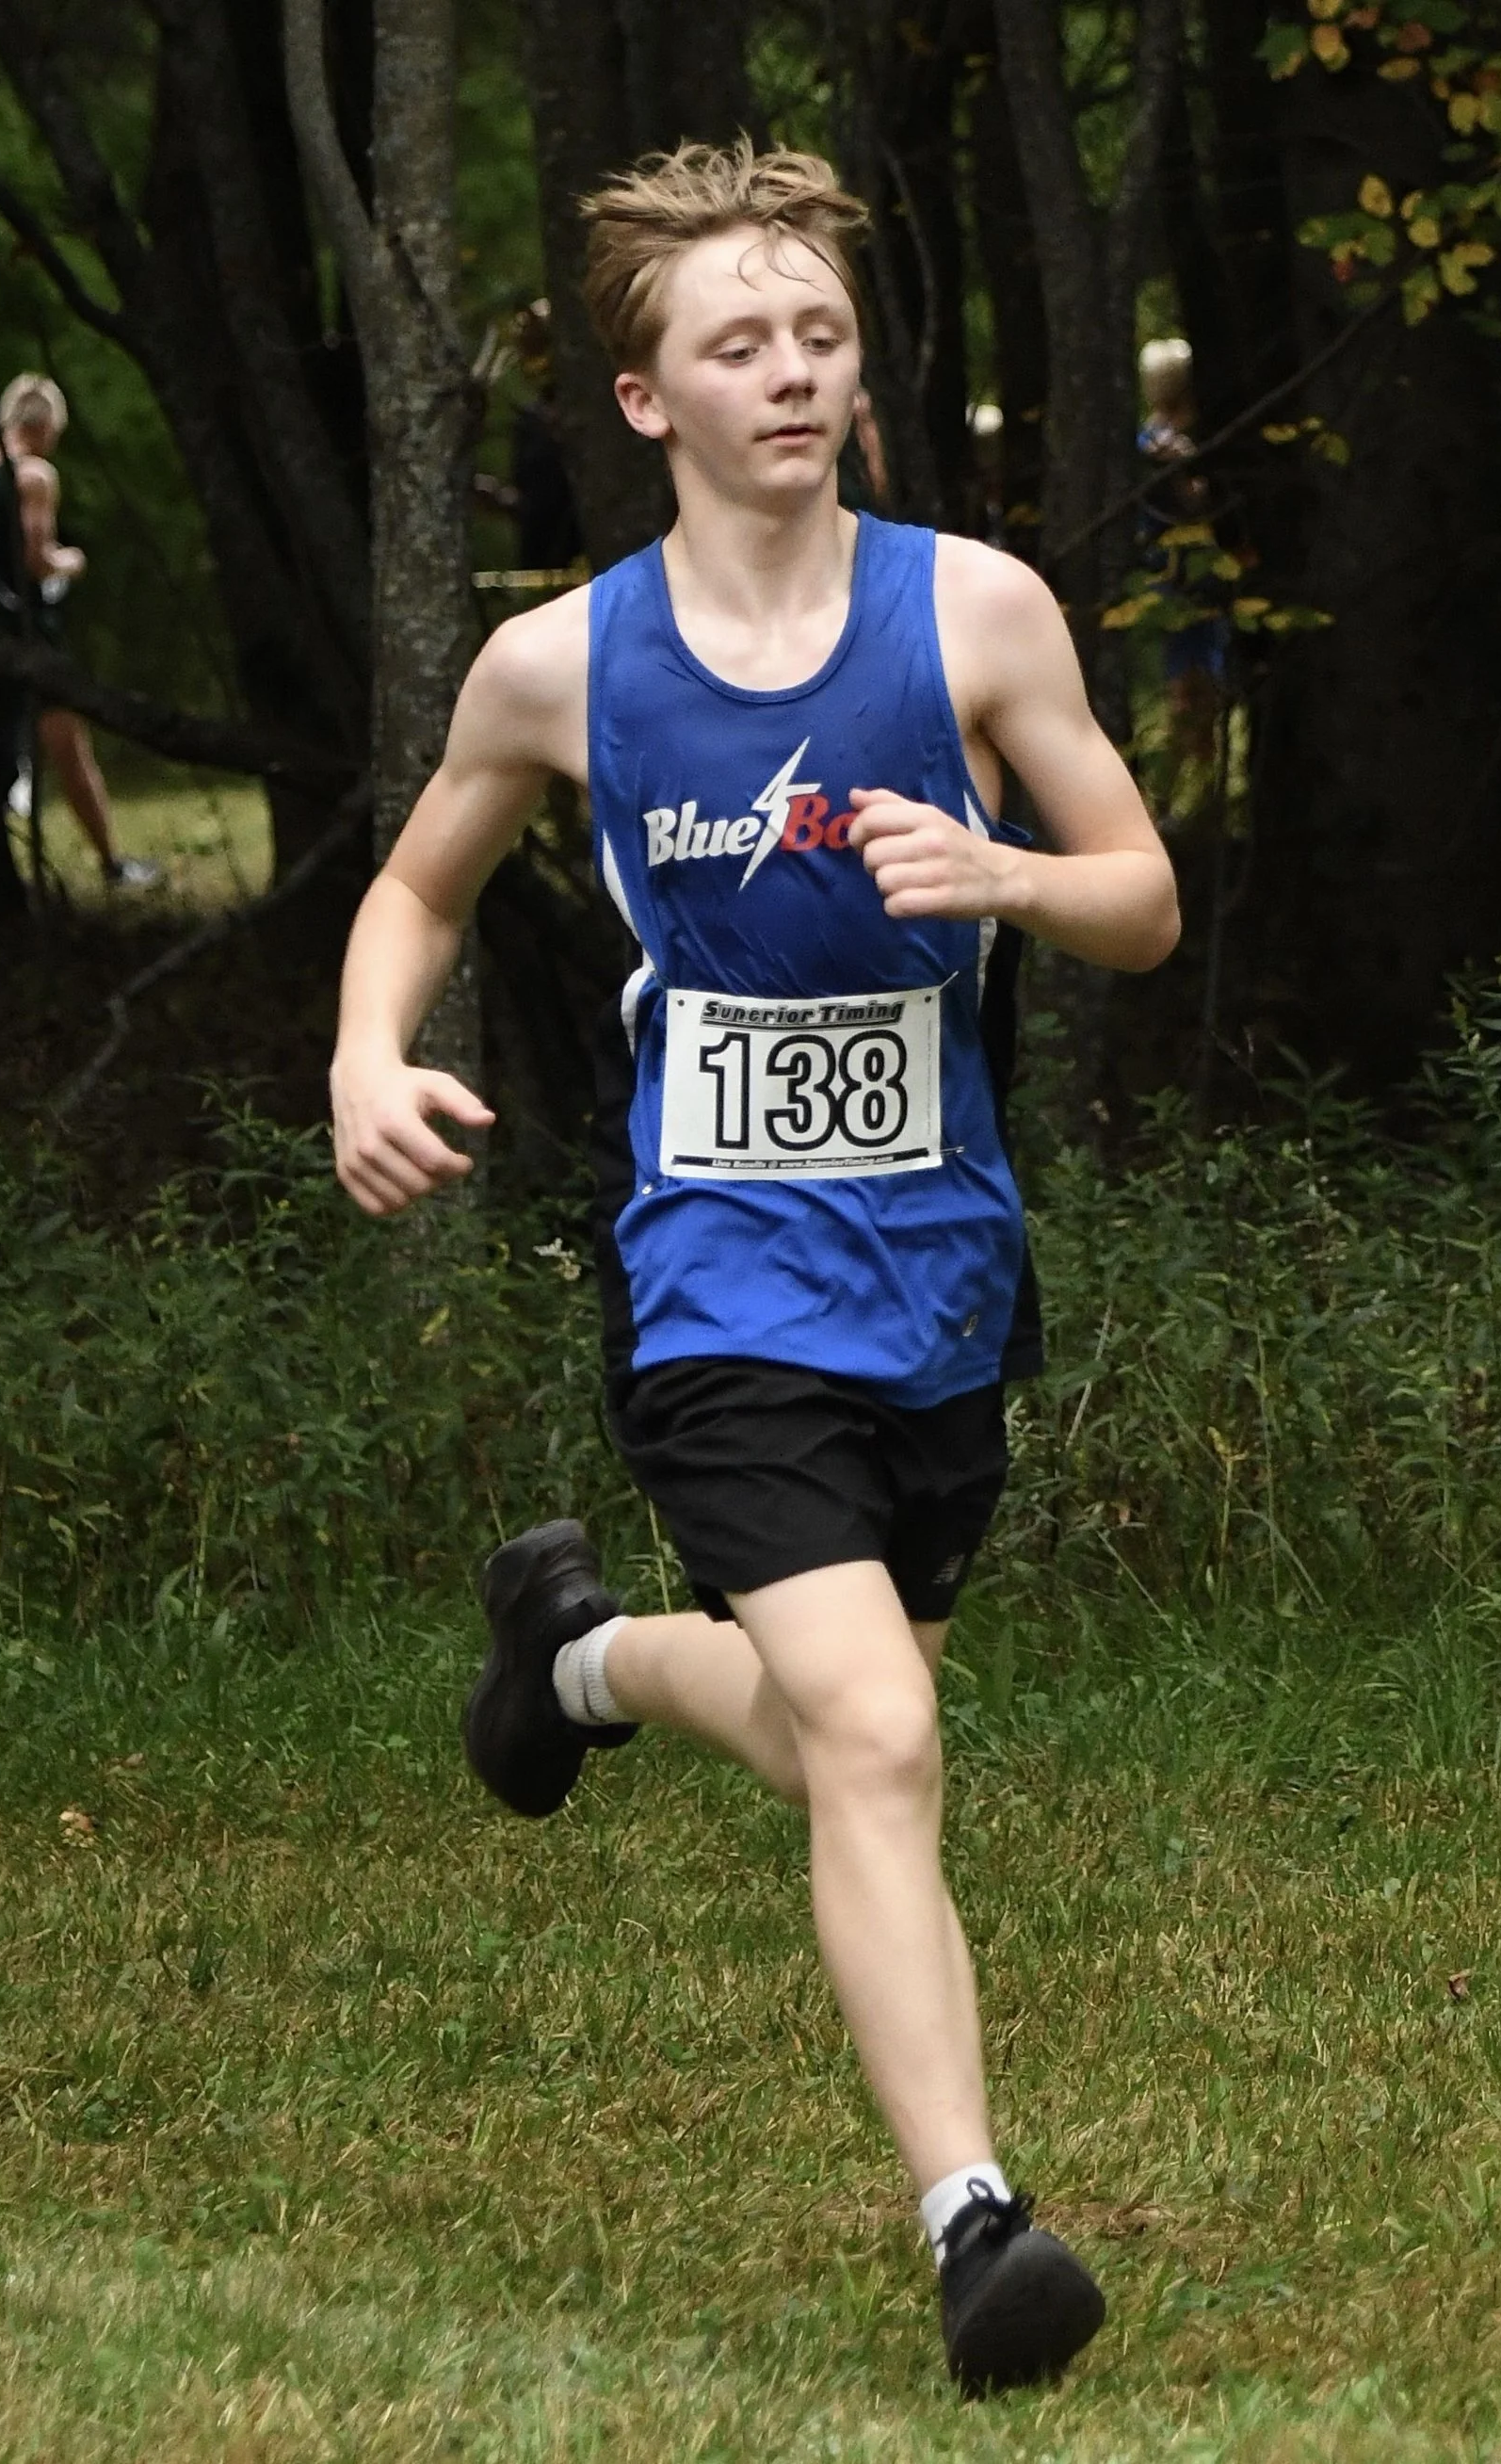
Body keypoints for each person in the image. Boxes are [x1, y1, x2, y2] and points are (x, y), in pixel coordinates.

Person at [329, 142, 1179, 2395]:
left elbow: (1144, 894)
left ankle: (584, 1658)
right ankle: (973, 2218)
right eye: (739, 342)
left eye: (817, 331)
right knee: (883, 1733)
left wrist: (998, 875)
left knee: (834, 1737)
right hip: (714, 1277)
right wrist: (357, 1057)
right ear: (646, 399)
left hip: (939, 1270)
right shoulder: (558, 664)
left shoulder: (978, 613)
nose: (792, 370)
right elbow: (415, 888)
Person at [0, 374, 159, 891]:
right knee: (71, 751)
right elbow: (36, 558)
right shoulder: (34, 477)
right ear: (44, 425)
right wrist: (71, 562)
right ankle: (111, 862)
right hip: (31, 629)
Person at [1137, 337, 1227, 806]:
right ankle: (1180, 797)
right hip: (1178, 579)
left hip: (1190, 580)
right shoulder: (1162, 446)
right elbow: (1196, 504)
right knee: (1188, 690)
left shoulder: (1153, 440)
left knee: (1200, 688)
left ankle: (1200, 794)